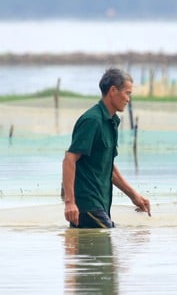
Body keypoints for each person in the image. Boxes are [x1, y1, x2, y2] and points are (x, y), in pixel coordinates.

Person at [62, 67, 151, 228]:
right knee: (110, 243)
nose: (128, 99)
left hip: (100, 204)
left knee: (110, 243)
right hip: (87, 205)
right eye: (127, 93)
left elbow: (108, 166)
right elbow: (69, 159)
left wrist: (134, 196)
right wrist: (70, 203)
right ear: (113, 91)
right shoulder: (92, 120)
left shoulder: (111, 122)